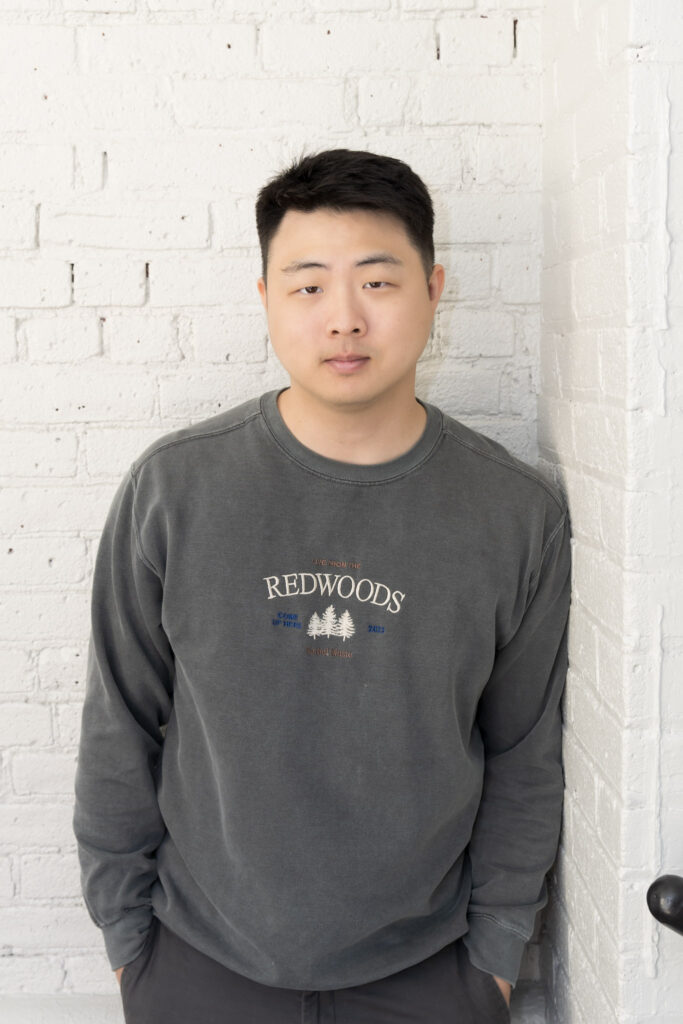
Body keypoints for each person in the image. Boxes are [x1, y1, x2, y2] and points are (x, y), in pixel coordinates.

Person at [72, 148, 571, 1024]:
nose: (344, 318)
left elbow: (523, 754)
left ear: (433, 289)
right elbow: (119, 725)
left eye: (376, 282)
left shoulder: (512, 513)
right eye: (308, 286)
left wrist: (492, 960)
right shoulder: (175, 490)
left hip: (428, 974)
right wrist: (129, 946)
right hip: (198, 967)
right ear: (266, 298)